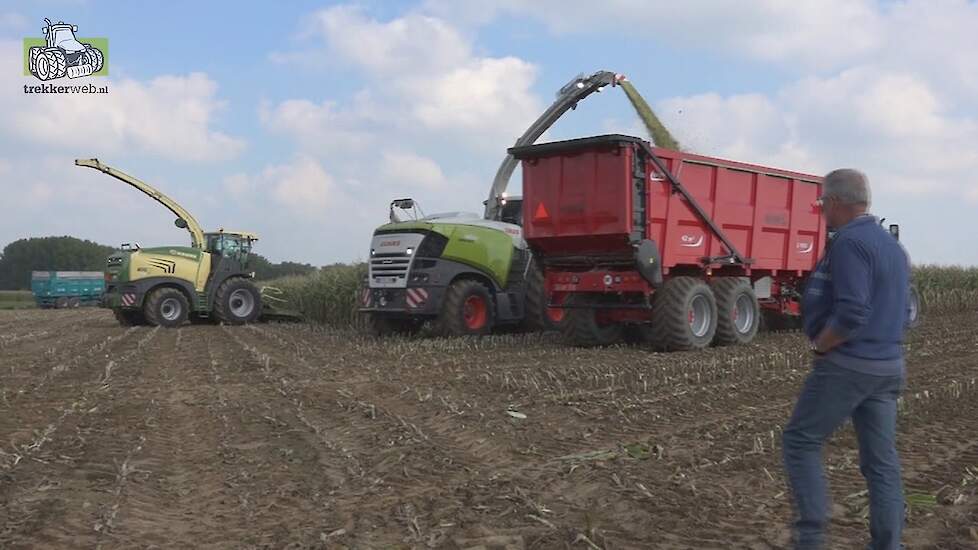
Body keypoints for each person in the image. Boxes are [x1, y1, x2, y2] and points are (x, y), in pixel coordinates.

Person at [782, 168, 912, 549]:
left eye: (822, 203)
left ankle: (810, 539)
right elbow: (905, 311)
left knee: (800, 441)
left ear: (836, 202)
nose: (822, 211)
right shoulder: (892, 247)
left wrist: (822, 345)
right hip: (889, 366)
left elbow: (852, 311)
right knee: (881, 463)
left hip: (849, 364)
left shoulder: (849, 244)